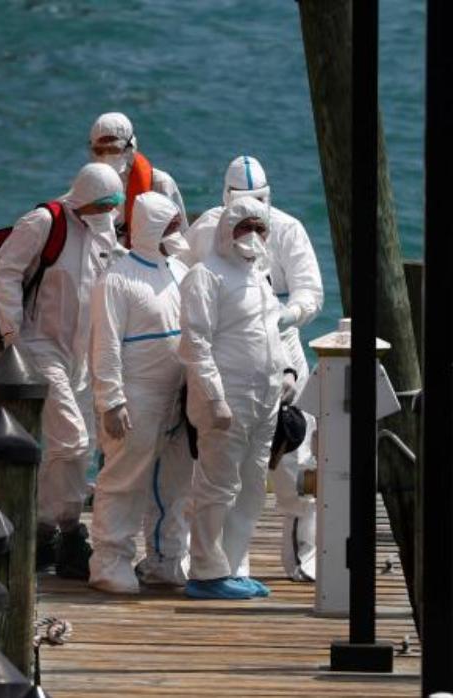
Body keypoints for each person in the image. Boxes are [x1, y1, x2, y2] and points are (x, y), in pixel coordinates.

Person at [183, 155, 323, 582]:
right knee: (212, 462)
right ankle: (206, 560)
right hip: (223, 353)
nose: (251, 226)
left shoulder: (289, 229)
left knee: (293, 456)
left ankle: (302, 557)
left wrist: (288, 314)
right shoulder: (207, 229)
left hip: (280, 345)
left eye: (258, 205)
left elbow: (311, 290)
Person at [0, 162, 126, 579]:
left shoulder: (102, 227)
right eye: (101, 204)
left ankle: (55, 531)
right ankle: (54, 528)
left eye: (113, 205)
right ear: (82, 198)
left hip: (83, 351)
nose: (108, 212)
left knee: (79, 446)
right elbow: (5, 274)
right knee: (71, 439)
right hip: (39, 344)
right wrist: (13, 334)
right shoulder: (43, 222)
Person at [179, 197, 297, 600]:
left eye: (259, 228)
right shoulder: (206, 275)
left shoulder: (258, 277)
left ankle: (231, 566)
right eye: (243, 226)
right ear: (226, 229)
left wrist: (287, 372)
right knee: (218, 484)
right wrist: (213, 397)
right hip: (226, 399)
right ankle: (206, 570)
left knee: (251, 485)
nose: (252, 236)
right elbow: (195, 342)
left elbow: (271, 332)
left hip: (264, 398)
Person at [87, 192, 195, 593]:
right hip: (136, 396)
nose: (176, 231)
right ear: (150, 226)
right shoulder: (116, 279)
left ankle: (165, 559)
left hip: (177, 397)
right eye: (168, 225)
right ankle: (109, 561)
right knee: (123, 480)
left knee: (173, 483)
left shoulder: (178, 272)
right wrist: (110, 400)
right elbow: (105, 345)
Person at [88, 112, 188, 244]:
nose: (106, 156)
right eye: (100, 151)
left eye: (113, 150)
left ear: (130, 147)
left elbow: (178, 236)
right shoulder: (88, 185)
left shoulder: (159, 183)